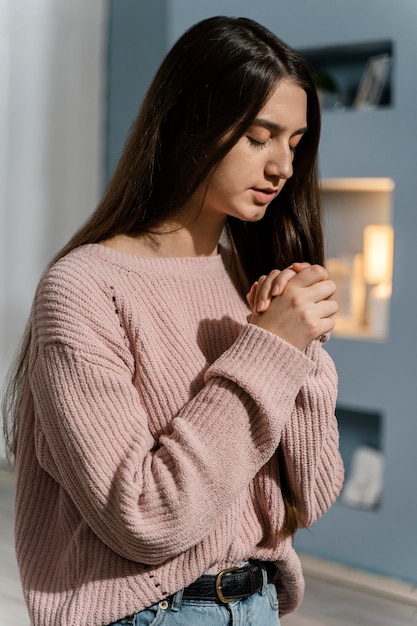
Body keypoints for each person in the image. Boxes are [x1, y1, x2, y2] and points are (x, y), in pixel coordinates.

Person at [2, 15, 344, 626]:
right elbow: (145, 519)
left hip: (258, 603)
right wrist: (269, 351)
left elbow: (312, 494)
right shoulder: (84, 289)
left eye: (294, 143)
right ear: (192, 125)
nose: (283, 169)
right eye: (260, 137)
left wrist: (305, 356)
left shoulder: (252, 282)